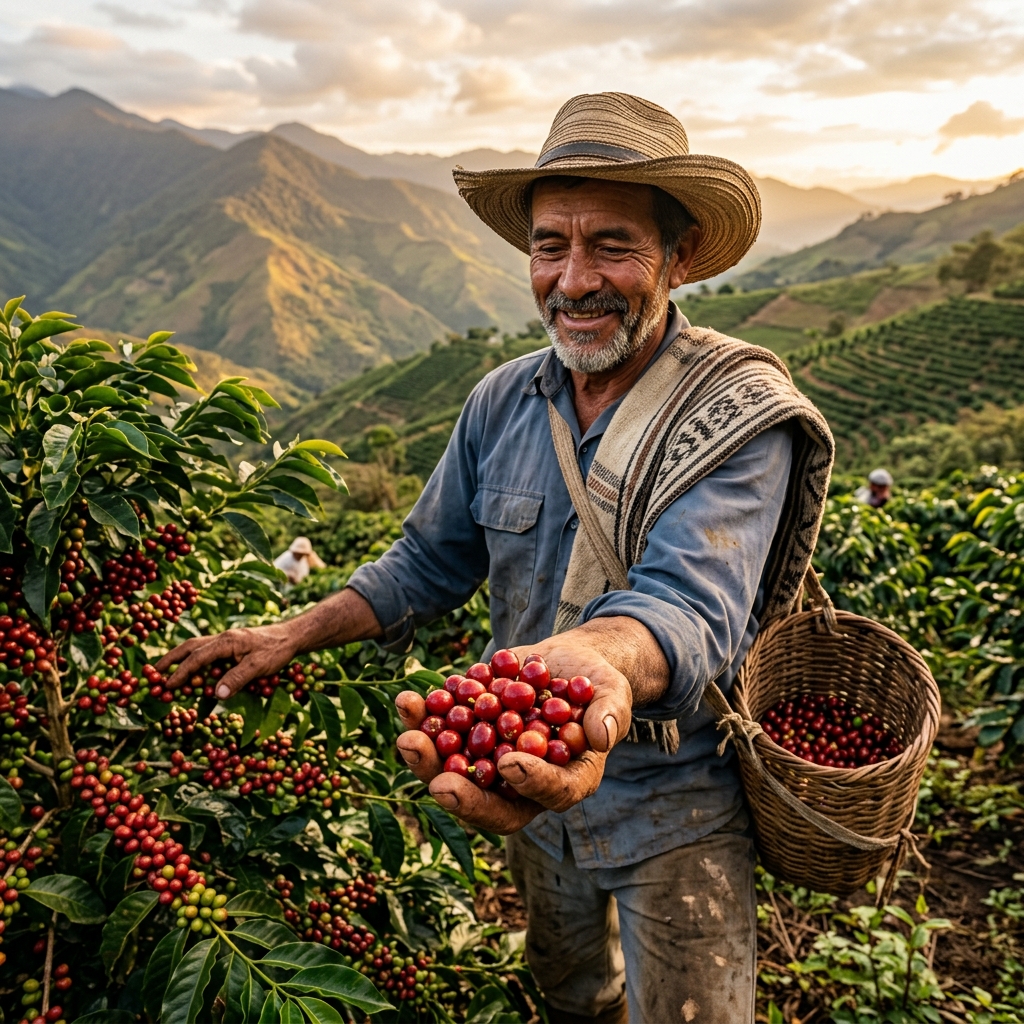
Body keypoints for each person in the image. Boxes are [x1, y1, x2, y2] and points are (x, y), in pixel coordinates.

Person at [159, 93, 834, 1023]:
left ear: (677, 257)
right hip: (526, 779)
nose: (573, 278)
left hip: (678, 806)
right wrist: (295, 631)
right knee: (569, 993)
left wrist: (596, 662)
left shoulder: (739, 414)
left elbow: (694, 606)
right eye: (551, 245)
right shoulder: (501, 403)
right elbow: (428, 560)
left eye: (612, 245)